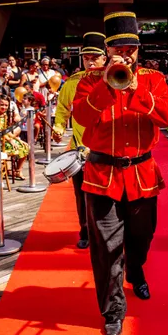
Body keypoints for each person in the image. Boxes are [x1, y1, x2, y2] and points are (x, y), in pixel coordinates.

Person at [72, 11, 168, 335]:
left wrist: (134, 92)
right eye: (118, 49)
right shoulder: (89, 80)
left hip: (142, 172)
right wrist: (106, 84)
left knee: (141, 238)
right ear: (108, 50)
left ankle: (137, 268)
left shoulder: (154, 79)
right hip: (101, 174)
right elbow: (83, 117)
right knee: (105, 246)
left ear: (138, 49)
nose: (125, 54)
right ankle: (113, 308)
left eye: (130, 48)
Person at [53, 32, 106, 248]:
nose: (90, 61)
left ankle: (104, 233)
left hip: (107, 150)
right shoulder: (72, 83)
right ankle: (85, 231)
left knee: (105, 196)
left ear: (105, 57)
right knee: (82, 196)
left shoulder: (114, 78)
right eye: (86, 57)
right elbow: (62, 110)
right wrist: (58, 127)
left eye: (95, 56)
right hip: (80, 150)